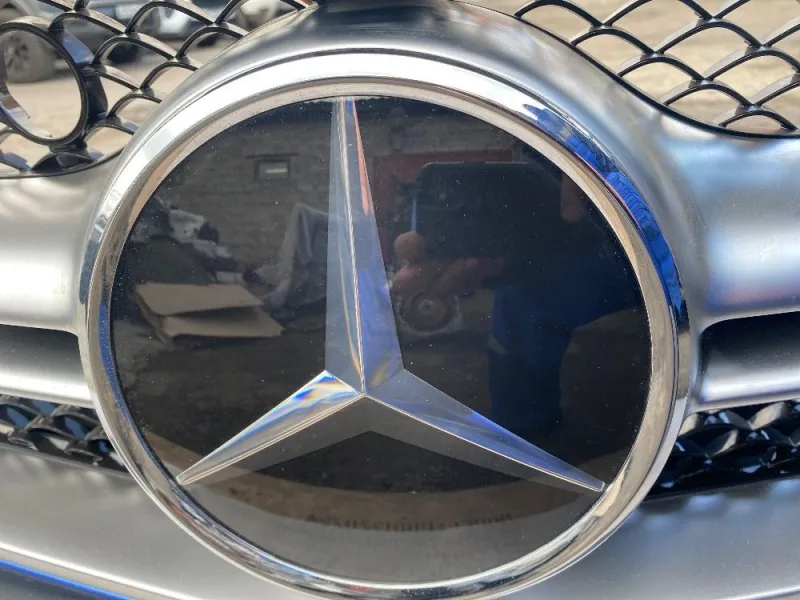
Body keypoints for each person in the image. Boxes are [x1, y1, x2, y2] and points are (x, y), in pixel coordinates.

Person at [392, 163, 640, 441]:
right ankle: (524, 432)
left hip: (623, 224)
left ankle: (524, 433)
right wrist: (509, 260)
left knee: (525, 302)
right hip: (573, 225)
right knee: (520, 299)